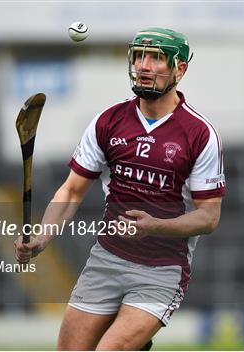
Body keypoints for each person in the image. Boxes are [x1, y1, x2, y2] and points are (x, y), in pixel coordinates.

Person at [15, 27, 226, 350]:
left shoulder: (199, 134)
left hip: (161, 270)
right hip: (107, 259)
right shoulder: (108, 121)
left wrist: (154, 226)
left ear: (179, 69)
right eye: (139, 56)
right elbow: (72, 191)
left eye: (156, 58)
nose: (144, 65)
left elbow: (209, 217)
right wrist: (43, 236)